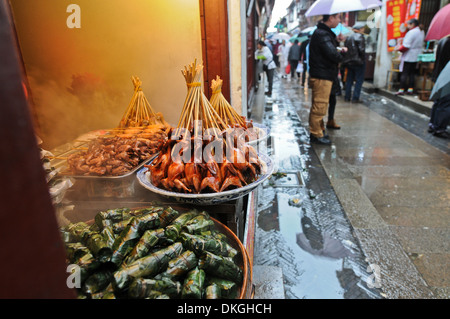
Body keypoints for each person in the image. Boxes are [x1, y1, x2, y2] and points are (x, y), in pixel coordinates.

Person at [308, 14, 347, 145]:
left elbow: (329, 50)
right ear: (331, 18)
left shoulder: (324, 33)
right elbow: (332, 54)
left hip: (324, 74)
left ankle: (319, 130)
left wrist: (337, 42)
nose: (339, 21)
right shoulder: (322, 34)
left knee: (320, 105)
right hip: (322, 76)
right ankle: (316, 134)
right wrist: (342, 52)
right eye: (338, 18)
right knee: (319, 106)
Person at [395, 19, 424, 95]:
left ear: (413, 24)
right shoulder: (421, 32)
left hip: (409, 55)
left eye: (408, 24)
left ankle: (401, 89)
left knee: (405, 73)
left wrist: (398, 49)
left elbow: (406, 46)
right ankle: (410, 89)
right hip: (416, 55)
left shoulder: (411, 33)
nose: (407, 26)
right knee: (412, 73)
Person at [428, 36, 450, 138]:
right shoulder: (448, 42)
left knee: (438, 101)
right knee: (445, 103)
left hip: (439, 75)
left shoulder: (443, 40)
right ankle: (439, 127)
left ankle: (433, 124)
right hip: (447, 77)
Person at [342, 22, 366, 103]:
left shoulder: (349, 37)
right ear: (360, 29)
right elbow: (361, 50)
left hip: (349, 62)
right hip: (358, 62)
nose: (364, 30)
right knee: (359, 80)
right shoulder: (360, 37)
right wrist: (362, 60)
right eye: (363, 28)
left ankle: (347, 97)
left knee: (349, 79)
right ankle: (355, 98)